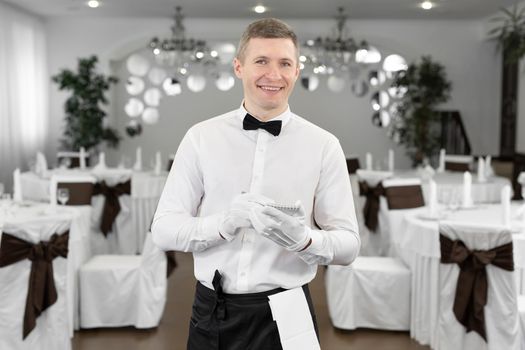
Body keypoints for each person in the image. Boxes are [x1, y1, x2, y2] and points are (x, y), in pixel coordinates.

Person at [152, 17, 360, 350]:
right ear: (239, 67)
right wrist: (223, 224)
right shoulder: (200, 138)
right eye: (261, 61)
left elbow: (349, 246)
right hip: (212, 308)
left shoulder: (324, 145)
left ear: (296, 71)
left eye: (285, 64)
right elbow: (163, 230)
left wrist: (305, 240)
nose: (273, 75)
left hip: (290, 309)